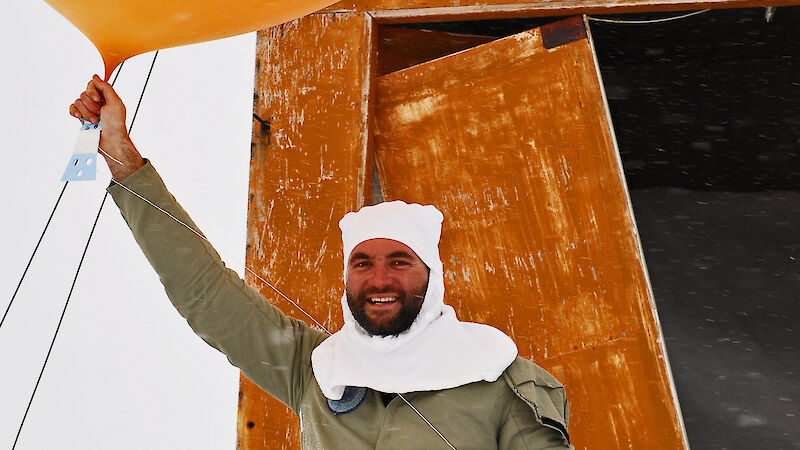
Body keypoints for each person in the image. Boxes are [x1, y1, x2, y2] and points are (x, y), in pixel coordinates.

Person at [69, 75, 573, 449]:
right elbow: (204, 293)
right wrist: (118, 150)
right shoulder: (315, 370)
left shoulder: (503, 381)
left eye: (400, 261)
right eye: (362, 263)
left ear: (432, 277)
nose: (379, 279)